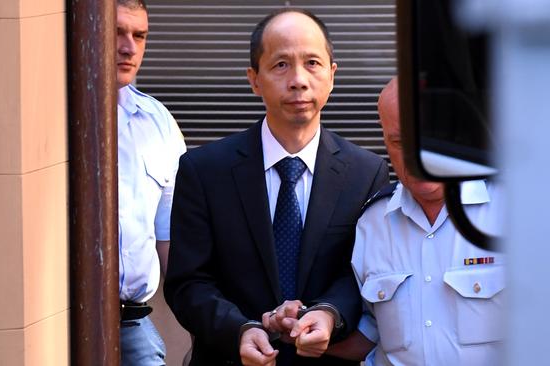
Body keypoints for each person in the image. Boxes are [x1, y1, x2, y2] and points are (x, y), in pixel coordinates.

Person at [164, 8, 389, 366]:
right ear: (254, 80)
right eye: (281, 64)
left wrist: (330, 313)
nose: (298, 79)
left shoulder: (366, 172)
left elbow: (362, 273)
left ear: (332, 76)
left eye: (312, 62)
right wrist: (242, 329)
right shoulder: (204, 170)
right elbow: (188, 283)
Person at [330, 76, 505, 365]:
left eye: (428, 136)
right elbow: (373, 331)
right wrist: (305, 332)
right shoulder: (373, 223)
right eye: (399, 141)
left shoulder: (511, 211)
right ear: (385, 141)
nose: (415, 155)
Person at [116, 0, 187, 364]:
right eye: (117, 32)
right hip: (59, 319)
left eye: (139, 35)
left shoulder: (157, 121)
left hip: (133, 322)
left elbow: (170, 238)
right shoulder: (52, 110)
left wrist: (205, 322)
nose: (129, 47)